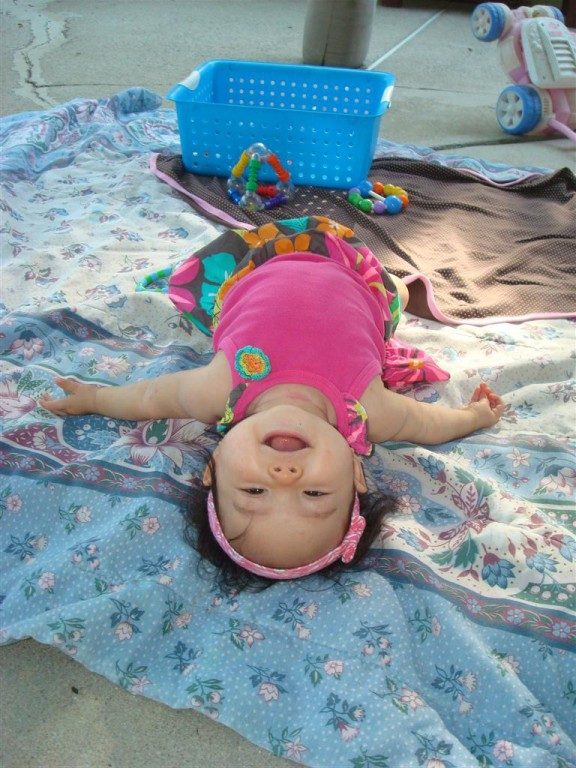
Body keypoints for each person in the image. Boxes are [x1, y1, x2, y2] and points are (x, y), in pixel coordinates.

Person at [40, 216, 505, 586]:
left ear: (214, 465)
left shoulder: (216, 389)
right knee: (394, 296)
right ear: (357, 472)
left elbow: (147, 397)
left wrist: (96, 398)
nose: (285, 477)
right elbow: (429, 423)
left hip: (257, 262)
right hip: (355, 275)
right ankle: (406, 288)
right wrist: (474, 415)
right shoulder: (371, 409)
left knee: (197, 279)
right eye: (315, 494)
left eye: (254, 491)